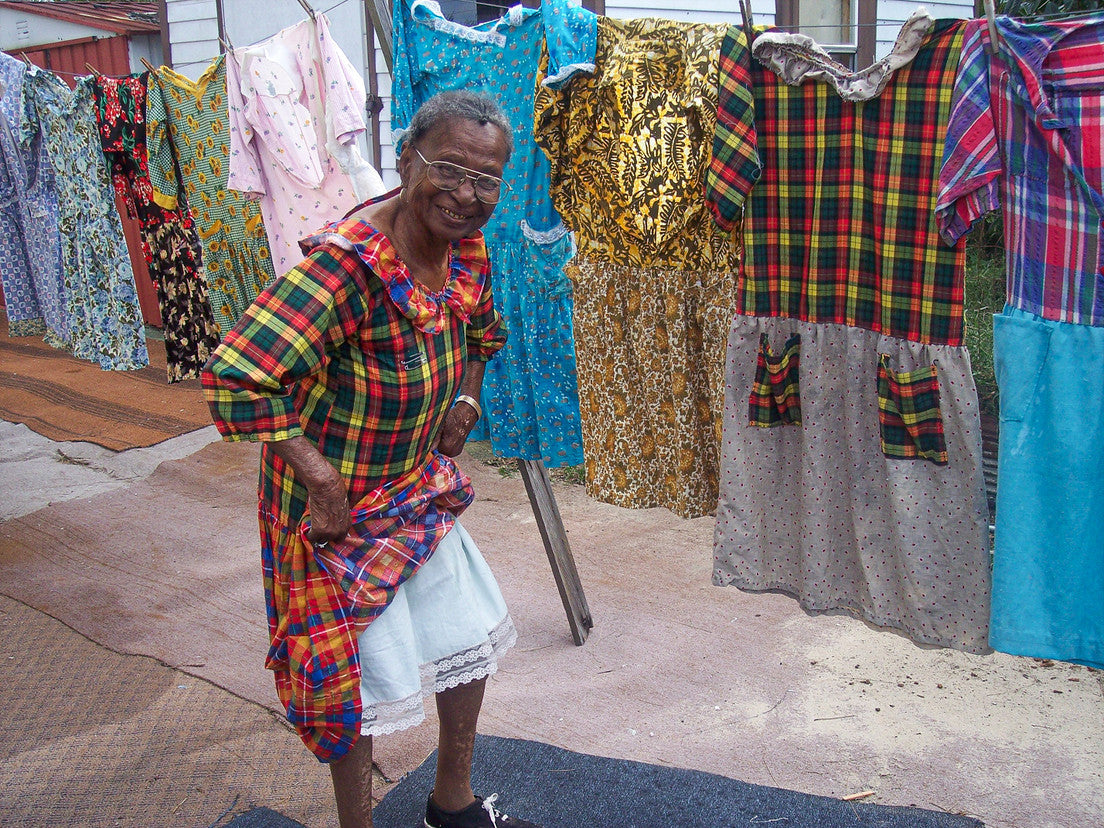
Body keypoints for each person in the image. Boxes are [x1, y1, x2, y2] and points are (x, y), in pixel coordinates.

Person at [202, 90, 541, 828]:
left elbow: (485, 331)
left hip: (415, 487)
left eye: (486, 179)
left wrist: (467, 402)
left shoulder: (465, 248)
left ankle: (451, 804)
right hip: (332, 518)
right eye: (448, 169)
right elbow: (236, 375)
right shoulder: (348, 268)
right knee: (346, 686)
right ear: (404, 159)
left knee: (471, 634)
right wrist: (318, 478)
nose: (465, 194)